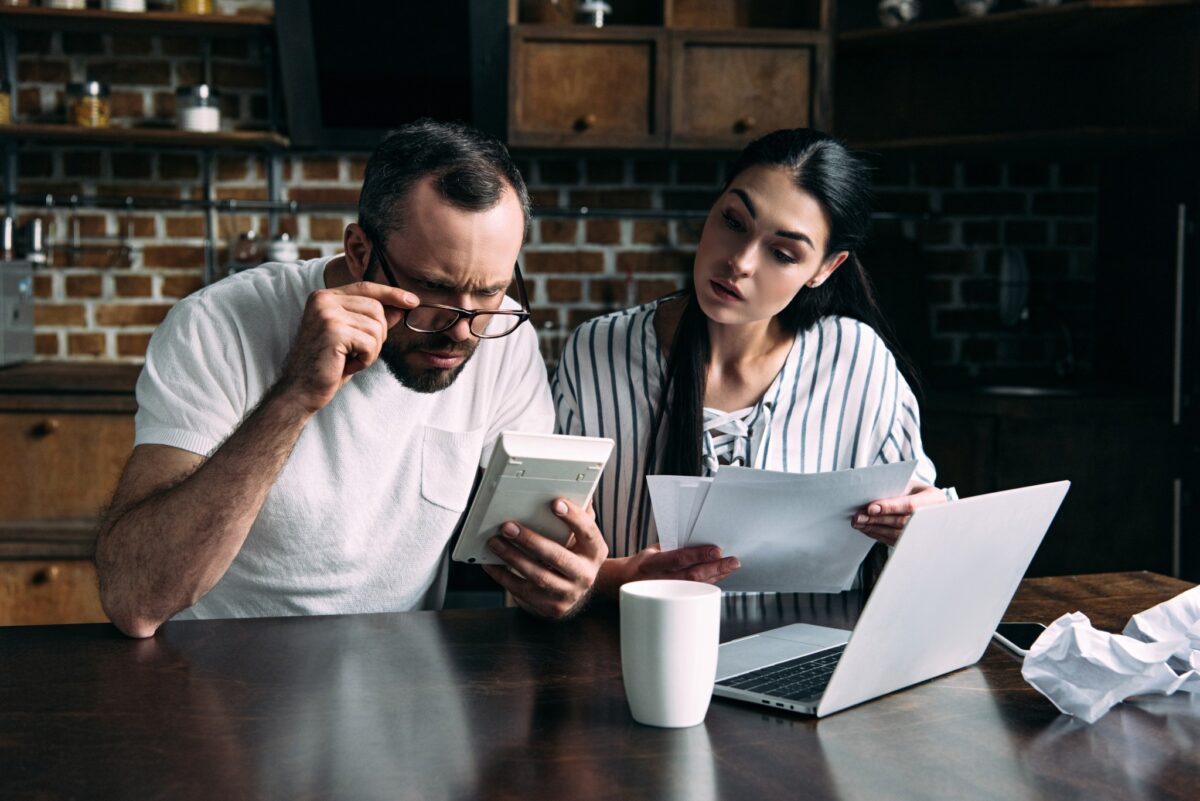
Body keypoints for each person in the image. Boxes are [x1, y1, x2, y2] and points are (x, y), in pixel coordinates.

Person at [95, 120, 607, 638]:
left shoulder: (501, 335)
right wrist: (294, 396)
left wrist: (567, 581)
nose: (460, 330)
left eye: (490, 292)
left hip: (398, 681)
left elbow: (542, 549)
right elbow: (135, 598)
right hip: (215, 674)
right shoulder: (214, 326)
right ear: (360, 252)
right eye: (432, 289)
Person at [551, 129, 953, 596]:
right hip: (627, 654)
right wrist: (619, 579)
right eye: (734, 222)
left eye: (782, 253)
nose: (739, 262)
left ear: (825, 268)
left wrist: (926, 523)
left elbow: (928, 525)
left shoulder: (857, 361)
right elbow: (543, 557)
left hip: (806, 656)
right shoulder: (596, 350)